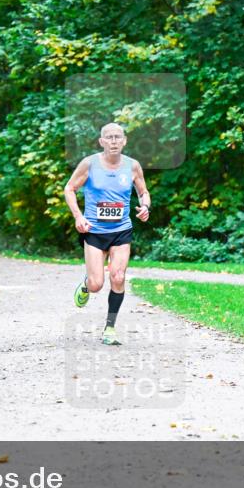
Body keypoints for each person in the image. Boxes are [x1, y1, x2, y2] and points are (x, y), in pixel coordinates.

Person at [63, 122, 150, 345]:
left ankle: (110, 328)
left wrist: (145, 207)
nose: (113, 141)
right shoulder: (89, 164)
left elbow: (143, 192)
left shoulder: (132, 166)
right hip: (94, 231)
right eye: (109, 137)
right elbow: (69, 188)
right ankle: (87, 283)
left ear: (124, 141)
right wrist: (78, 216)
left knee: (118, 277)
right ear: (101, 141)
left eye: (117, 137)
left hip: (121, 230)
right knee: (96, 285)